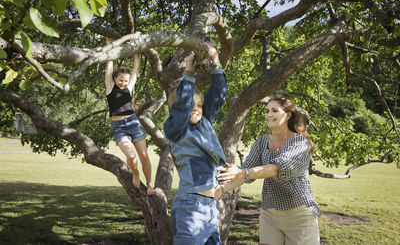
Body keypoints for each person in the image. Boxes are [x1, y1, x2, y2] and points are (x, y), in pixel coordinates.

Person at [217, 95, 320, 245]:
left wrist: (243, 172)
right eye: (267, 111)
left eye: (274, 110)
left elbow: (277, 168)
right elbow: (245, 174)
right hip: (269, 214)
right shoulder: (261, 142)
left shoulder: (300, 142)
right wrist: (220, 190)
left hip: (299, 215)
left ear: (288, 115)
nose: (269, 115)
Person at [163, 45, 227, 245]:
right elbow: (183, 105)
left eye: (199, 105)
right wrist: (188, 69)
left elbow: (218, 94)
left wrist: (215, 61)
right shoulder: (176, 128)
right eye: (191, 105)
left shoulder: (203, 124)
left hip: (211, 207)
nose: (196, 110)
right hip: (191, 207)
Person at [105, 37, 155, 195]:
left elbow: (136, 67)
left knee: (144, 156)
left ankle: (149, 184)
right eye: (121, 80)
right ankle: (135, 173)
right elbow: (109, 64)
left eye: (126, 81)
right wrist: (109, 45)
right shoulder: (110, 87)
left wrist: (136, 49)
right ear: (115, 79)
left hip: (133, 123)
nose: (124, 83)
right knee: (132, 157)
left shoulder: (130, 87)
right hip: (118, 127)